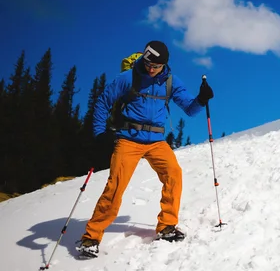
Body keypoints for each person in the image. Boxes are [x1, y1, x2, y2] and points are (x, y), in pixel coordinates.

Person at [76, 40, 214, 258]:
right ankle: (91, 237)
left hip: (156, 140)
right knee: (116, 186)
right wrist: (99, 135)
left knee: (173, 174)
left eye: (156, 66)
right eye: (149, 64)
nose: (151, 69)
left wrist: (201, 99)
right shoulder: (127, 78)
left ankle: (166, 226)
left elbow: (190, 109)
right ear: (144, 58)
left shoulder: (170, 82)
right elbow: (102, 102)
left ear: (164, 65)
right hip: (128, 139)